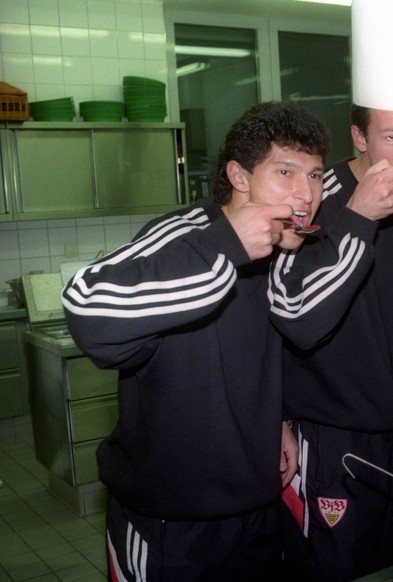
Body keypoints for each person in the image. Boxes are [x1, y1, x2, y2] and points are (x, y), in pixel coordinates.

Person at [61, 101, 329, 580]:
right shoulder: (183, 236)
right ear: (239, 176)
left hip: (256, 509)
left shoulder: (278, 251)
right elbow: (85, 306)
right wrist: (224, 245)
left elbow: (249, 358)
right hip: (170, 525)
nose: (305, 193)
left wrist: (278, 420)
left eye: (314, 175)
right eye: (286, 171)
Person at [267, 0, 393, 578]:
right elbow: (287, 320)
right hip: (334, 435)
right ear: (359, 135)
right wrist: (280, 419)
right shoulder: (315, 201)